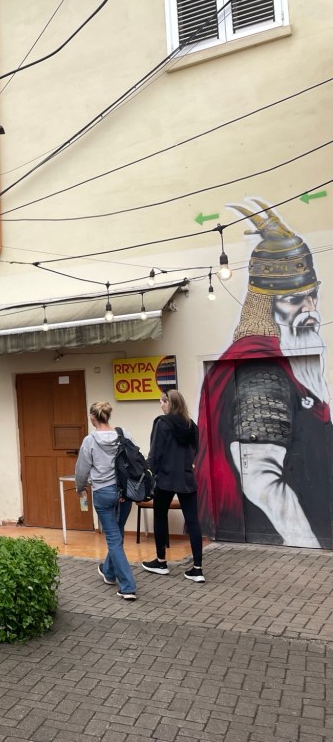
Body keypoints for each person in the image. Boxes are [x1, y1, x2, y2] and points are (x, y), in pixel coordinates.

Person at [196, 199, 332, 549]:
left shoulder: (290, 361)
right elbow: (259, 476)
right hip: (276, 542)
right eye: (294, 300)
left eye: (312, 296)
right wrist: (307, 543)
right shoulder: (261, 370)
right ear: (266, 306)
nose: (310, 310)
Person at [141, 390, 205, 582]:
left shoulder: (162, 423)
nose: (161, 405)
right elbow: (196, 450)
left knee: (160, 516)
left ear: (169, 403)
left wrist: (150, 475)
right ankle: (197, 569)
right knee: (193, 522)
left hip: (165, 478)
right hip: (186, 477)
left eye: (162, 401)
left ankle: (161, 562)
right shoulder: (191, 425)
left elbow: (155, 453)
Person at [75, 401, 137, 600]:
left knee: (113, 538)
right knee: (117, 534)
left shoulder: (90, 440)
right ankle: (109, 572)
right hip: (125, 492)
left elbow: (82, 469)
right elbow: (136, 459)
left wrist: (80, 488)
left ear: (93, 417)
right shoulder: (124, 434)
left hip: (103, 493)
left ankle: (128, 586)